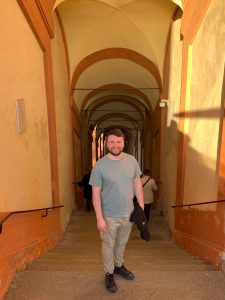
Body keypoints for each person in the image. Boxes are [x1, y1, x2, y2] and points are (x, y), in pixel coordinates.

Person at [89, 128, 144, 293]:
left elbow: (137, 184)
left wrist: (140, 208)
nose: (115, 145)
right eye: (112, 142)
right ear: (106, 143)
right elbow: (95, 193)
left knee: (122, 243)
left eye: (118, 142)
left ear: (123, 143)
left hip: (128, 213)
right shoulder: (99, 165)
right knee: (108, 245)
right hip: (108, 215)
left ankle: (119, 266)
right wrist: (99, 218)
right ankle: (109, 272)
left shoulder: (132, 161)